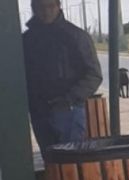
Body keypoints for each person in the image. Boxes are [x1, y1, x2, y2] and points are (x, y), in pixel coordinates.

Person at [22, 0, 102, 150]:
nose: (46, 11)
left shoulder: (76, 36)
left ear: (59, 6)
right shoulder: (26, 40)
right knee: (50, 161)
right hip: (40, 112)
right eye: (41, 7)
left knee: (70, 164)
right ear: (34, 8)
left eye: (50, 6)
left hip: (68, 112)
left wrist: (69, 99)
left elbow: (94, 74)